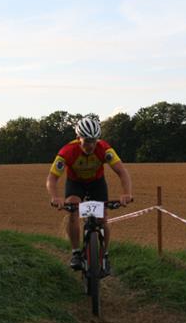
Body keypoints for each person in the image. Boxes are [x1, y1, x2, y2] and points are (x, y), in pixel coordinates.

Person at [46, 116, 133, 274]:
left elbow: (122, 172)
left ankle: (104, 255)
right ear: (78, 138)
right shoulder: (67, 151)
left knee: (102, 219)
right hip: (75, 183)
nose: (91, 145)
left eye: (94, 141)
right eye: (86, 141)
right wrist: (55, 197)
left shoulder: (104, 149)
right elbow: (52, 178)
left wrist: (126, 194)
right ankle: (76, 253)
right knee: (73, 211)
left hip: (96, 183)